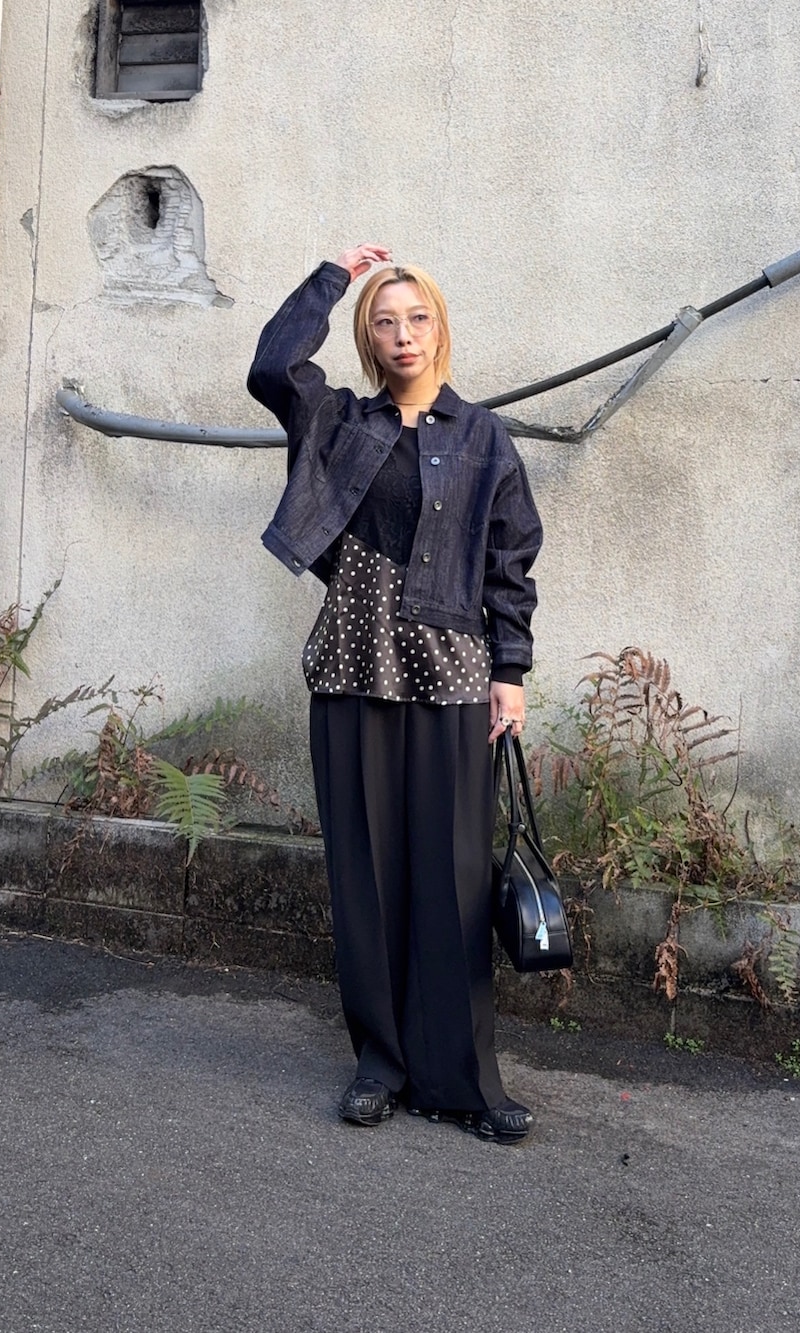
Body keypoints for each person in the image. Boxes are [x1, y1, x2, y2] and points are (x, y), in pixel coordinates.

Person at [248, 244, 543, 1145]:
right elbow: (272, 367)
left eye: (417, 318)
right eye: (386, 322)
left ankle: (462, 1078)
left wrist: (510, 672)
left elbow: (510, 559)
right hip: (351, 664)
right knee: (366, 877)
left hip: (452, 673)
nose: (403, 334)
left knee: (453, 879)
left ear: (439, 328)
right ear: (368, 339)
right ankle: (379, 1064)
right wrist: (333, 277)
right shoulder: (338, 421)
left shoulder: (483, 436)